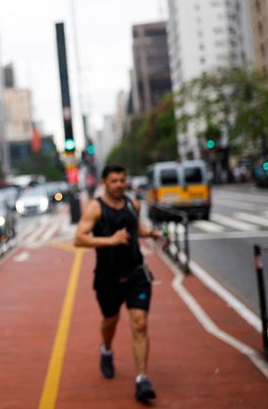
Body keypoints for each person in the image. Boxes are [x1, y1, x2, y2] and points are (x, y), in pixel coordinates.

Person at [74, 164, 162, 402]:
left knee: (140, 323)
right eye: (114, 181)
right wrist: (111, 240)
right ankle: (106, 349)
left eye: (122, 180)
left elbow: (137, 229)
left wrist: (153, 234)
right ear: (105, 183)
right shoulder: (95, 208)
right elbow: (79, 239)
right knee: (110, 321)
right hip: (107, 278)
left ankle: (142, 379)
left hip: (136, 275)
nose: (119, 184)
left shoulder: (133, 204)